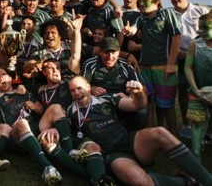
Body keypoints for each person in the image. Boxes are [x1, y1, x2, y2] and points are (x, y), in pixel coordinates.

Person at [67, 76, 212, 186]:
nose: (76, 93)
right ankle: (186, 181)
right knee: (139, 180)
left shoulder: (106, 99)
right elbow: (67, 132)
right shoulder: (70, 111)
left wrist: (138, 92)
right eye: (72, 90)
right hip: (112, 154)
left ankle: (207, 180)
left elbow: (139, 105)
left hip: (129, 141)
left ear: (88, 87)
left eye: (79, 88)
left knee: (160, 132)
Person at [123, 0, 181, 134]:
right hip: (145, 66)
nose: (141, 5)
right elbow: (134, 30)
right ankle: (151, 133)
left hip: (164, 66)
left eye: (145, 2)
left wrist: (171, 64)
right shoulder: (141, 18)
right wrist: (129, 31)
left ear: (156, 2)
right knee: (149, 102)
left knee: (166, 104)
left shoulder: (166, 14)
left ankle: (173, 136)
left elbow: (176, 38)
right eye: (140, 3)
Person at [169, 0, 210, 139]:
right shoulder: (169, 14)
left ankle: (207, 128)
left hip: (201, 57)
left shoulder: (201, 11)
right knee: (184, 91)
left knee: (205, 90)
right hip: (179, 57)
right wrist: (177, 51)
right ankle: (187, 126)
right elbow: (169, 36)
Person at [82, 37, 147, 131]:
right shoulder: (90, 64)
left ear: (119, 52)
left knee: (142, 112)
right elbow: (80, 87)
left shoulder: (127, 65)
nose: (110, 56)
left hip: (122, 101)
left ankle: (132, 134)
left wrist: (129, 97)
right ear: (100, 52)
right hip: (99, 102)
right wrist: (92, 89)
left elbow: (143, 89)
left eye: (113, 52)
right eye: (106, 52)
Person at [184, 12, 212, 161]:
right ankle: (196, 153)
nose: (200, 31)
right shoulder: (195, 44)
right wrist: (195, 89)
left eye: (205, 27)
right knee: (197, 123)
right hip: (198, 91)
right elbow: (188, 68)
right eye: (199, 27)